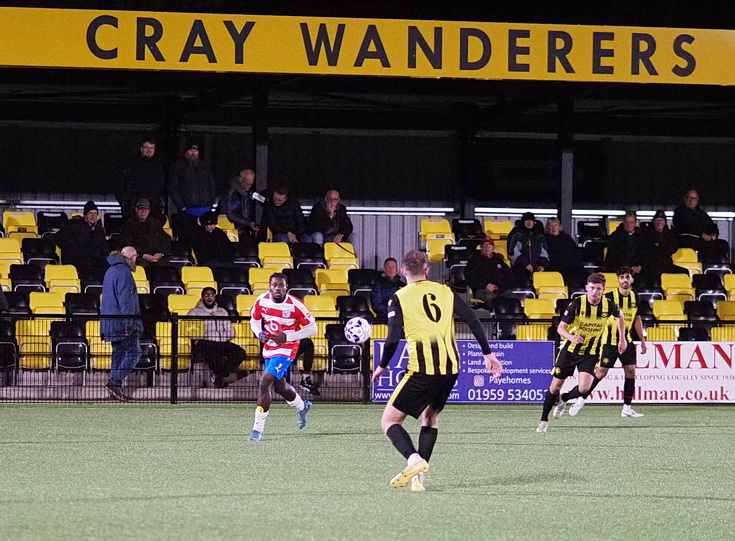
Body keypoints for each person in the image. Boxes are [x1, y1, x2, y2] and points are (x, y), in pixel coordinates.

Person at [371, 250, 502, 492]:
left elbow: (391, 339)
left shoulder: (399, 297)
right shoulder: (445, 291)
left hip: (422, 369)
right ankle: (419, 479)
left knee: (389, 420)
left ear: (403, 271)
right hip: (451, 367)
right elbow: (473, 319)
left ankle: (413, 460)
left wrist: (381, 365)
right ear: (427, 271)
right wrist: (488, 354)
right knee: (430, 416)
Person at [536, 272, 625, 433]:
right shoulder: (577, 304)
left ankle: (564, 398)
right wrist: (572, 337)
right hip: (569, 351)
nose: (595, 292)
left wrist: (622, 339)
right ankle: (543, 420)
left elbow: (621, 316)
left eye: (598, 289)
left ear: (603, 290)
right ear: (586, 288)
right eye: (592, 288)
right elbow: (560, 328)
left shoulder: (608, 305)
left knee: (584, 388)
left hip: (590, 352)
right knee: (555, 386)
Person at [562, 267, 647, 418]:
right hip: (609, 341)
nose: (625, 280)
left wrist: (642, 340)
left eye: (627, 277)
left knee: (631, 371)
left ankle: (627, 408)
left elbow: (637, 319)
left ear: (632, 279)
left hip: (626, 341)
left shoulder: (635, 297)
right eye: (622, 277)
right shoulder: (608, 297)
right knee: (600, 373)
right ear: (618, 279)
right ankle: (580, 398)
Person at [247, 272, 317, 441]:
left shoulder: (295, 305)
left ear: (287, 287)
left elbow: (312, 328)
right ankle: (302, 406)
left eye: (281, 285)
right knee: (280, 387)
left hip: (287, 348)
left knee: (265, 381)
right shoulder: (261, 301)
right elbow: (254, 320)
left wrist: (288, 337)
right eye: (274, 285)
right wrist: (259, 333)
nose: (277, 288)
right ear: (269, 286)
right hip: (269, 347)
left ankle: (257, 430)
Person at [100, 246, 142, 401]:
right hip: (121, 322)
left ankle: (115, 386)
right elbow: (126, 301)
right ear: (132, 257)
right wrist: (129, 324)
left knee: (118, 353)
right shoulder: (124, 272)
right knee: (134, 352)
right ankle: (114, 381)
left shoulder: (110, 271)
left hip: (110, 321)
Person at [188, 287, 248, 388]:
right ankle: (223, 377)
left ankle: (222, 376)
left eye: (212, 295)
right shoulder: (194, 312)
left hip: (222, 342)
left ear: (215, 297)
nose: (209, 297)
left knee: (240, 352)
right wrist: (202, 336)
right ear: (202, 297)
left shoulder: (222, 312)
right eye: (206, 295)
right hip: (204, 342)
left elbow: (231, 331)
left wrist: (223, 338)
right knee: (216, 356)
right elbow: (189, 331)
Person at [168, 142, 216, 243]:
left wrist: (211, 203)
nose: (193, 153)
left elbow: (212, 185)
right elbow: (172, 187)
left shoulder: (205, 166)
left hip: (205, 210)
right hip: (187, 211)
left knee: (205, 239)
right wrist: (181, 206)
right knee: (187, 238)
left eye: (195, 151)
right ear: (185, 152)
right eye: (190, 150)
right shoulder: (177, 166)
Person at [672, 188, 730, 264]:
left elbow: (712, 225)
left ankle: (721, 265)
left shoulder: (701, 213)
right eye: (687, 197)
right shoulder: (679, 212)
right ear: (684, 198)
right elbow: (687, 226)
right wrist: (702, 234)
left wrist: (714, 234)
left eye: (693, 198)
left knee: (722, 244)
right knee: (706, 246)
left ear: (697, 200)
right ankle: (706, 266)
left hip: (702, 239)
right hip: (686, 240)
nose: (690, 200)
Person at [54, 200, 108, 275]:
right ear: (85, 215)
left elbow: (104, 247)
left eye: (95, 213)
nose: (93, 216)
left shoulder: (99, 230)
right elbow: (59, 238)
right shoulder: (73, 225)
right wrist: (72, 248)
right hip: (76, 261)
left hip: (93, 262)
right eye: (90, 213)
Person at [116, 137, 166, 219]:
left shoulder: (158, 166)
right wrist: (124, 202)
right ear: (141, 149)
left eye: (151, 148)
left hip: (153, 207)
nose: (149, 150)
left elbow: (162, 186)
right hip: (132, 207)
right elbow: (120, 183)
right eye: (146, 147)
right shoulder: (130, 164)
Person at [119, 198, 172, 267]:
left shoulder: (155, 223)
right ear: (136, 210)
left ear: (149, 211)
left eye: (146, 209)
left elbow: (165, 239)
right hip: (139, 257)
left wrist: (160, 253)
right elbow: (126, 242)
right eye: (141, 209)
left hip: (156, 257)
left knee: (166, 265)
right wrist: (142, 255)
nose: (143, 212)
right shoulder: (129, 224)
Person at [464, 236, 511, 309]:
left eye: (490, 245)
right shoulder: (474, 260)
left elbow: (507, 274)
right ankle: (496, 317)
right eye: (485, 245)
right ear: (481, 247)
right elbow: (471, 277)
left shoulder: (498, 259)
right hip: (481, 289)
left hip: (499, 288)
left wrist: (500, 286)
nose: (487, 247)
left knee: (509, 294)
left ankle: (507, 317)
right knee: (491, 297)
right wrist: (485, 285)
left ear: (493, 248)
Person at [639, 210, 689, 278]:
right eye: (657, 220)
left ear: (665, 222)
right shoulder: (647, 235)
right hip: (651, 265)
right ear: (653, 222)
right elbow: (648, 250)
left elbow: (673, 248)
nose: (659, 222)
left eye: (661, 220)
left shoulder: (669, 235)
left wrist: (660, 245)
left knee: (684, 272)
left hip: (666, 264)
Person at [225, 168, 263, 249]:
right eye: (247, 184)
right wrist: (248, 223)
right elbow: (231, 215)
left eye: (250, 184)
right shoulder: (232, 194)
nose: (248, 187)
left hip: (249, 226)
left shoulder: (252, 191)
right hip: (238, 227)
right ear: (240, 180)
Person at [507, 211, 549, 285]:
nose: (529, 222)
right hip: (519, 269)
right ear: (523, 222)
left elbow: (544, 252)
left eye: (531, 220)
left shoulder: (539, 235)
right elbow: (512, 252)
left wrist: (542, 265)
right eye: (527, 220)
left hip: (537, 269)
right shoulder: (515, 233)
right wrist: (525, 264)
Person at [544, 218, 587, 287]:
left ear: (559, 227)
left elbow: (575, 253)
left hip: (571, 266)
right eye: (551, 226)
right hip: (554, 266)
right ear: (548, 227)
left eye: (555, 225)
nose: (553, 228)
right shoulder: (545, 239)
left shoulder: (567, 238)